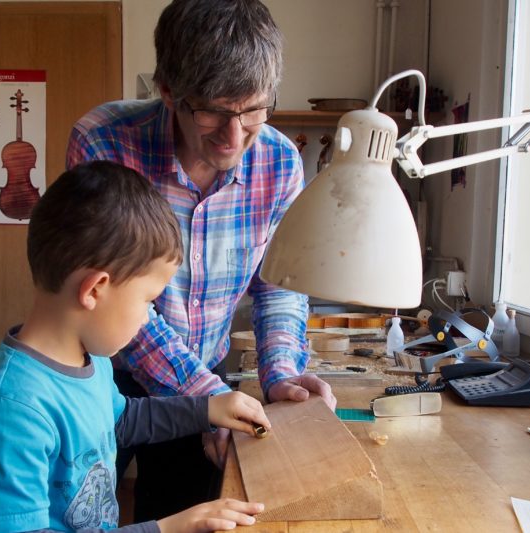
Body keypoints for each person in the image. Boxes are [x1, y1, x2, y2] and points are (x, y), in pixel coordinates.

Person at [66, 0, 336, 522]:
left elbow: (278, 282)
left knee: (185, 515)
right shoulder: (104, 141)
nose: (234, 138)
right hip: (99, 372)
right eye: (212, 110)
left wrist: (278, 374)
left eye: (254, 109)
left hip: (203, 373)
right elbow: (117, 297)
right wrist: (209, 400)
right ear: (168, 90)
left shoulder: (279, 163)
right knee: (80, 513)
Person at [0, 161, 270, 533]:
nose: (148, 318)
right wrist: (164, 529)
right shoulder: (11, 411)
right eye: (148, 301)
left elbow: (119, 420)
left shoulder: (90, 359)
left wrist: (207, 409)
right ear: (95, 289)